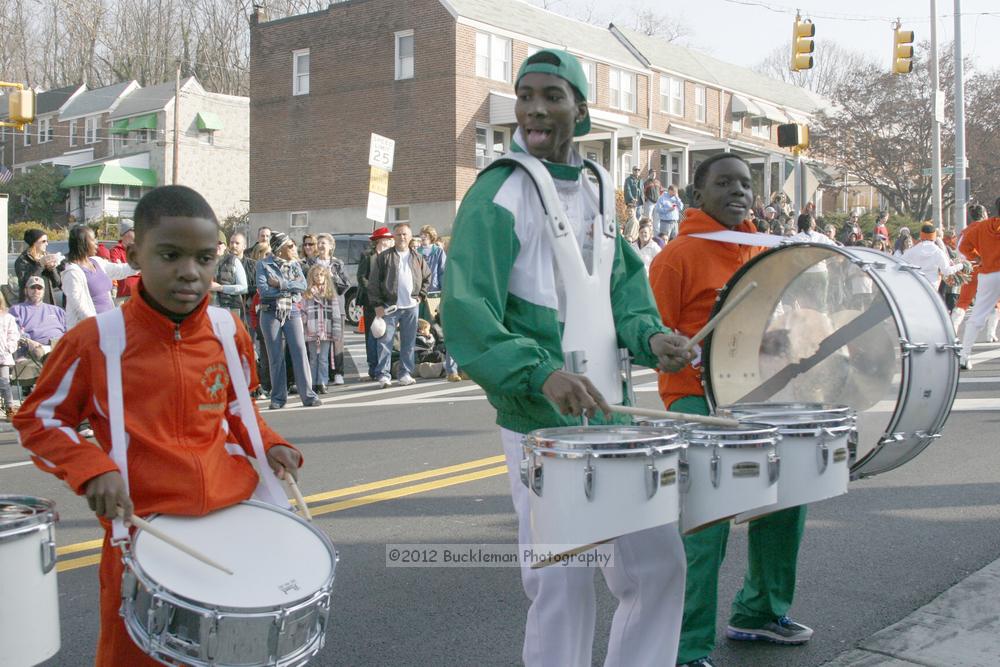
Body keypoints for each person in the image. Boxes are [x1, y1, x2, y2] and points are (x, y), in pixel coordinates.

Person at [441, 48, 691, 667]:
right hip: (541, 425)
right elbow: (467, 313)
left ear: (581, 110)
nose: (534, 109)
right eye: (526, 95)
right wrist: (541, 374)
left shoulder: (603, 189)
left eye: (552, 95)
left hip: (615, 419)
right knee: (564, 581)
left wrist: (653, 338)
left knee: (658, 565)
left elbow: (623, 291)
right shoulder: (497, 192)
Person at [13, 184, 302, 665]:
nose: (190, 272)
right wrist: (90, 468)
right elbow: (39, 419)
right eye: (170, 255)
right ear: (133, 256)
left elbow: (236, 409)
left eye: (205, 259)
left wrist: (270, 444)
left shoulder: (229, 332)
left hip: (231, 525)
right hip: (145, 537)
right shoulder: (95, 341)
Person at [649, 153, 812, 667]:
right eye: (723, 183)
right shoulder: (678, 255)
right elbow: (650, 332)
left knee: (790, 494)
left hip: (753, 392)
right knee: (708, 521)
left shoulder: (759, 249)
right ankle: (683, 647)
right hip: (696, 397)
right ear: (698, 195)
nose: (738, 191)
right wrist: (675, 345)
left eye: (745, 183)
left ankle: (758, 612)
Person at [255, 231, 321, 409]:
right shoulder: (263, 264)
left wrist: (281, 284)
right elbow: (264, 290)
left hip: (292, 310)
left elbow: (303, 286)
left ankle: (308, 396)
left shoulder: (294, 265)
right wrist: (287, 289)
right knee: (275, 356)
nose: (294, 248)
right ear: (280, 249)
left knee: (300, 351)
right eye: (290, 246)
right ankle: (277, 398)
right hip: (269, 312)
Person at [367, 223, 431, 388]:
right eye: (399, 234)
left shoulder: (417, 257)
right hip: (389, 307)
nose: (402, 237)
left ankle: (405, 374)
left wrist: (420, 297)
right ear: (393, 237)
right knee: (385, 342)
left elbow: (427, 277)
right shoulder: (384, 257)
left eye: (405, 234)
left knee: (408, 342)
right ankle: (383, 375)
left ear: (410, 237)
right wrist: (377, 305)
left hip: (411, 307)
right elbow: (373, 283)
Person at [61, 225, 140, 329]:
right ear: (83, 243)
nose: (97, 243)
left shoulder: (96, 261)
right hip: (88, 332)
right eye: (93, 239)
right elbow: (79, 307)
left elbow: (120, 270)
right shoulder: (72, 272)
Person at [958, 199, 1000, 369]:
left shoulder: (981, 227)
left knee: (977, 315)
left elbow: (963, 246)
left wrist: (977, 257)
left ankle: (964, 354)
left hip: (988, 273)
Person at [307, 233, 349, 385]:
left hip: (335, 307)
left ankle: (338, 372)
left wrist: (334, 276)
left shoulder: (337, 264)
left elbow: (346, 285)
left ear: (331, 246)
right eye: (318, 243)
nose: (320, 246)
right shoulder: (311, 262)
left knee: (337, 340)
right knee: (316, 342)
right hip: (315, 308)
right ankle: (318, 377)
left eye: (324, 243)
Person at [357, 228, 394, 381]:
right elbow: (361, 277)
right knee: (372, 334)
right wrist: (373, 290)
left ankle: (384, 367)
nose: (389, 241)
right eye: (386, 238)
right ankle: (373, 367)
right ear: (379, 240)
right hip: (370, 300)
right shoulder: (368, 255)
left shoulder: (391, 256)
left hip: (386, 300)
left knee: (386, 333)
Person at [952, 205, 990, 331]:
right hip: (988, 269)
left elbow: (959, 251)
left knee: (963, 301)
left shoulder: (965, 231)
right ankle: (991, 333)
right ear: (984, 214)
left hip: (970, 269)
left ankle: (953, 328)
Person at [303, 264, 339, 393]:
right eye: (316, 275)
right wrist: (305, 322)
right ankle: (312, 382)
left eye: (322, 275)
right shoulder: (307, 293)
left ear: (326, 276)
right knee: (313, 358)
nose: (319, 277)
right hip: (312, 331)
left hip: (326, 330)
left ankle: (322, 382)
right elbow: (303, 310)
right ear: (312, 277)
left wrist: (336, 331)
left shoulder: (330, 293)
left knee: (324, 358)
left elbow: (336, 314)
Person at [10, 275, 67, 357]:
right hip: (39, 348)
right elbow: (14, 332)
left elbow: (70, 329)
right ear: (26, 290)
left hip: (62, 345)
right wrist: (28, 341)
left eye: (39, 288)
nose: (36, 291)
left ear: (43, 291)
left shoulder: (57, 310)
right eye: (32, 287)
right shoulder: (17, 310)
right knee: (39, 353)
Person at [901, 224, 961, 292]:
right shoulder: (938, 251)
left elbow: (899, 263)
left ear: (921, 236)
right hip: (932, 289)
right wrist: (961, 265)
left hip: (916, 285)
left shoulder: (913, 250)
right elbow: (946, 271)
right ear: (934, 237)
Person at [14, 228, 62, 305]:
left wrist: (52, 269)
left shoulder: (47, 256)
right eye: (43, 241)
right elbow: (25, 282)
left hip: (47, 302)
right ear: (34, 243)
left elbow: (57, 283)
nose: (47, 244)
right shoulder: (23, 260)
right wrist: (40, 264)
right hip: (29, 304)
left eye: (47, 241)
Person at [211, 230, 248, 318]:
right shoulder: (204, 262)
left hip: (230, 309)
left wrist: (220, 288)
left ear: (225, 246)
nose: (216, 246)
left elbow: (243, 288)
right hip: (209, 309)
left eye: (219, 243)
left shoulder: (233, 260)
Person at [0, 293, 21, 420]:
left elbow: (13, 336)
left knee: (4, 382)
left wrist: (8, 348)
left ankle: (10, 408)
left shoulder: (7, 318)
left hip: (3, 356)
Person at [108, 219, 140, 301]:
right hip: (122, 296)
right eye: (134, 230)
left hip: (139, 295)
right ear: (126, 233)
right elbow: (116, 270)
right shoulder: (115, 251)